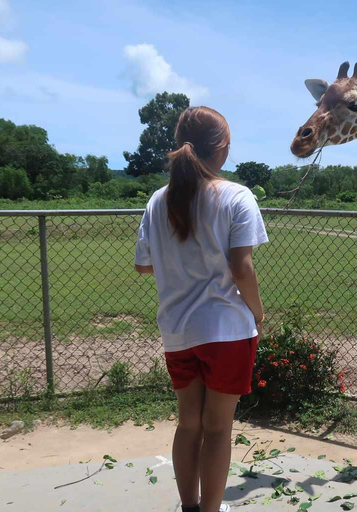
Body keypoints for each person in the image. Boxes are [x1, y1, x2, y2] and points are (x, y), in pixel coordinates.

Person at [134, 106, 268, 512]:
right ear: (223, 148)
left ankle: (189, 508)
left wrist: (178, 260)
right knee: (218, 429)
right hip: (228, 331)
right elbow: (241, 267)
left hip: (177, 331)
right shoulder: (237, 196)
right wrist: (258, 314)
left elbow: (143, 265)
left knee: (188, 425)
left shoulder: (159, 200)